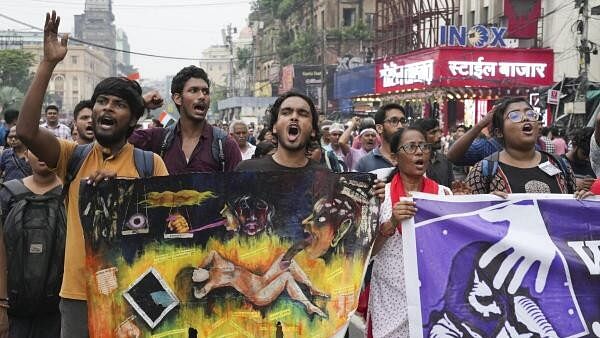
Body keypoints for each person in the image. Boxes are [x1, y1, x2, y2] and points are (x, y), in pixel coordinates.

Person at [15, 11, 169, 337]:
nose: (106, 108)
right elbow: (27, 132)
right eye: (102, 101)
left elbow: (171, 228)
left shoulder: (150, 164)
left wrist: (123, 199)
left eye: (118, 104)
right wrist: (48, 63)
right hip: (78, 295)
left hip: (133, 290)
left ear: (132, 120)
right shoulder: (73, 156)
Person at [368, 127, 451, 338]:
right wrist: (391, 223)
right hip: (390, 296)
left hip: (432, 295)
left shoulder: (443, 195)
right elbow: (367, 254)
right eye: (411, 147)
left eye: (424, 146)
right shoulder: (380, 197)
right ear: (395, 158)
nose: (419, 152)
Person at [129, 65, 241, 173]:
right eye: (194, 90)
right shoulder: (157, 139)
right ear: (177, 98)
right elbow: (116, 140)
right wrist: (141, 103)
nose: (202, 96)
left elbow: (240, 188)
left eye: (205, 92)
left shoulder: (225, 145)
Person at [0, 150, 63, 338]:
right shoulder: (7, 194)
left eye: (48, 148)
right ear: (26, 155)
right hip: (13, 307)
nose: (42, 154)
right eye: (35, 150)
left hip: (58, 310)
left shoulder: (71, 192)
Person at [466, 97, 576, 194]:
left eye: (530, 114)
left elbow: (573, 209)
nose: (525, 118)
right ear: (499, 132)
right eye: (514, 116)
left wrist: (586, 199)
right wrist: (489, 203)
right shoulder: (483, 170)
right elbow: (469, 212)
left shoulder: (560, 164)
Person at [235, 91, 322, 171]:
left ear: (313, 130)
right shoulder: (247, 170)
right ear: (274, 127)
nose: (294, 117)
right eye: (286, 113)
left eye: (302, 114)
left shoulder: (325, 177)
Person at [355, 103, 406, 173]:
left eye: (403, 121)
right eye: (394, 121)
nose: (400, 126)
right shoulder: (364, 164)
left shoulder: (412, 158)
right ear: (379, 128)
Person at [413, 118, 454, 187]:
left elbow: (450, 187)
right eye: (433, 132)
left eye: (439, 131)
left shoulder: (445, 160)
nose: (439, 136)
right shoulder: (413, 162)